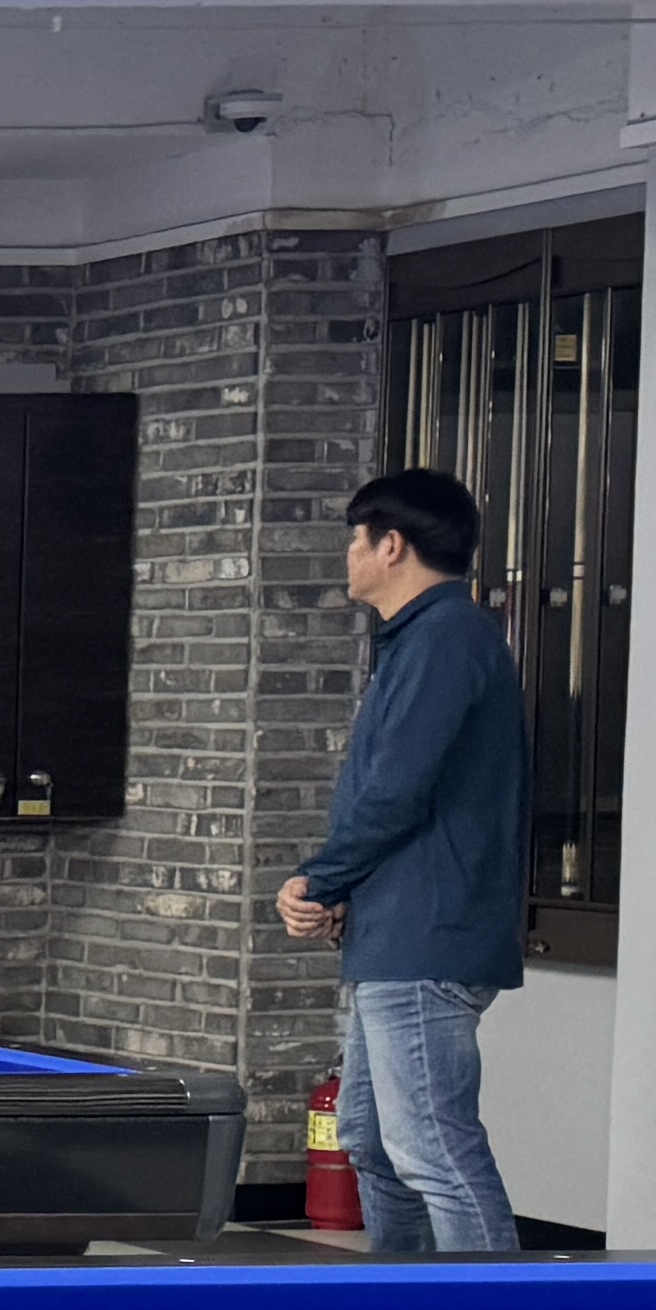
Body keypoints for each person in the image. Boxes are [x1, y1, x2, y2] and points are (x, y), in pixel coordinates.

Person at [277, 467, 527, 1258]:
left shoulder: (445, 639)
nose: (349, 555)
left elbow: (395, 791)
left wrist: (322, 880)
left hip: (426, 938)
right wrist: (346, 893)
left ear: (392, 546)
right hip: (398, 932)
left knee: (432, 1150)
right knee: (371, 1140)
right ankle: (402, 1295)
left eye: (356, 539)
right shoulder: (424, 639)